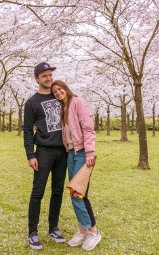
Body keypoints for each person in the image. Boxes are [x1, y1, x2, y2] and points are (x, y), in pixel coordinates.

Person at [51, 80, 102, 251]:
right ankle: (82, 230)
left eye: (60, 89)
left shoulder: (79, 104)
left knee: (78, 193)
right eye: (55, 92)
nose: (58, 93)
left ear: (66, 88)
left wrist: (89, 153)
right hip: (71, 154)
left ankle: (93, 232)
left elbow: (88, 129)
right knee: (74, 193)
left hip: (82, 153)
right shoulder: (63, 109)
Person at [23, 62, 67, 250]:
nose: (48, 78)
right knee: (38, 192)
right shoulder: (31, 103)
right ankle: (32, 232)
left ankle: (53, 227)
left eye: (50, 75)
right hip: (43, 151)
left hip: (63, 151)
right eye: (44, 76)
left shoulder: (60, 96)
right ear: (36, 79)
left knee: (57, 191)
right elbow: (26, 130)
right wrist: (30, 155)